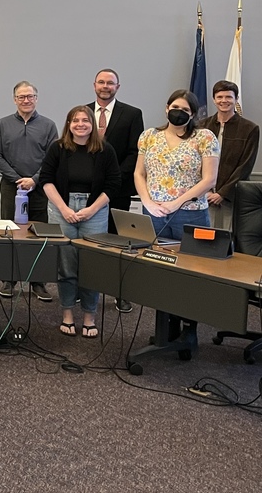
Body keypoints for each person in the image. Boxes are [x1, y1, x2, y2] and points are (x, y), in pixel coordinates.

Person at [135, 89, 219, 348]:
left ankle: (189, 329)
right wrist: (148, 202)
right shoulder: (149, 136)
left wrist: (176, 202)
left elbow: (210, 179)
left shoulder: (204, 137)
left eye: (185, 109)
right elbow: (139, 174)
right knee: (160, 273)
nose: (178, 112)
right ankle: (167, 327)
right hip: (155, 214)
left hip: (190, 215)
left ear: (192, 114)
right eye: (174, 107)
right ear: (166, 108)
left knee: (190, 275)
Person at [39, 105, 120, 338]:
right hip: (61, 208)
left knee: (90, 266)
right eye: (75, 120)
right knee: (66, 266)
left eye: (85, 120)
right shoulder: (58, 148)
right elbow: (46, 180)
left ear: (92, 124)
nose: (80, 124)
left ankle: (89, 317)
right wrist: (64, 209)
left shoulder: (105, 150)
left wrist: (92, 210)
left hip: (95, 210)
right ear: (68, 124)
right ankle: (66, 314)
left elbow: (113, 184)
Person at [0, 81, 58, 300]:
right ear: (14, 99)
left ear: (36, 98)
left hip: (38, 190)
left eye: (30, 96)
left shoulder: (48, 126)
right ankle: (8, 280)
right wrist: (18, 179)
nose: (26, 100)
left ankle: (38, 282)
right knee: (9, 232)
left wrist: (34, 180)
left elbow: (52, 158)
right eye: (21, 97)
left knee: (37, 234)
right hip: (11, 187)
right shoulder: (3, 124)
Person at [86, 68, 144, 313]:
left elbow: (135, 151)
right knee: (89, 242)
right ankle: (86, 290)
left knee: (117, 242)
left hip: (118, 188)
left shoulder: (131, 114)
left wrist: (114, 178)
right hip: (87, 189)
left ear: (117, 87)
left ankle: (120, 293)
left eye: (110, 83)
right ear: (94, 85)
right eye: (101, 82)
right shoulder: (83, 112)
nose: (105, 86)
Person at [202, 80, 259, 230]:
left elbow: (245, 165)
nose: (224, 101)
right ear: (214, 99)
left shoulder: (250, 129)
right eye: (220, 97)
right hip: (203, 195)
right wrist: (205, 189)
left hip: (231, 196)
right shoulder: (201, 126)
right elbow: (196, 161)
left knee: (226, 239)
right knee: (201, 237)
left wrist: (222, 193)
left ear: (236, 99)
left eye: (228, 97)